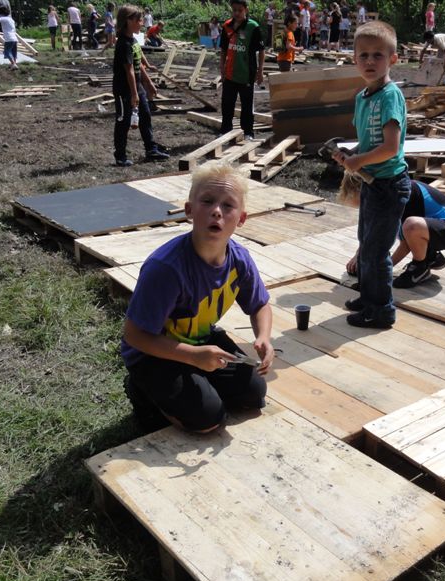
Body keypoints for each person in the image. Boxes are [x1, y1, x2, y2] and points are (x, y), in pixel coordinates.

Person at [121, 162, 275, 434]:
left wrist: (263, 336)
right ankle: (142, 391)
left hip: (201, 340)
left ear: (241, 219)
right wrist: (193, 357)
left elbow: (260, 304)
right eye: (207, 201)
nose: (217, 211)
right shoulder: (167, 268)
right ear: (190, 210)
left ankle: (198, 381)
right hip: (152, 353)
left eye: (228, 206)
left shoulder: (239, 259)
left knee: (254, 394)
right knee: (208, 421)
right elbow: (134, 336)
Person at [333, 20, 409, 329]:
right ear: (354, 59)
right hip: (374, 185)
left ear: (393, 59)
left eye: (378, 55)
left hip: (390, 185)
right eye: (363, 55)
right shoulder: (363, 97)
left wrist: (360, 160)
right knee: (366, 242)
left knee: (377, 252)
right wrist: (351, 157)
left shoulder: (390, 96)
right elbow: (369, 142)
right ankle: (368, 297)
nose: (369, 61)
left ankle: (382, 310)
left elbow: (391, 148)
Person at [345, 179, 445, 288]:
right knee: (403, 227)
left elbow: (406, 244)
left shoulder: (401, 193)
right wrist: (359, 255)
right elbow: (372, 230)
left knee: (410, 225)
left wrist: (384, 270)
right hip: (432, 229)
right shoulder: (385, 192)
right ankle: (431, 257)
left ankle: (420, 267)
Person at [112, 4, 169, 166]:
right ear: (128, 21)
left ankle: (151, 149)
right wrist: (134, 94)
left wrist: (149, 83)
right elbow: (129, 70)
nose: (142, 23)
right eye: (139, 20)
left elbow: (139, 63)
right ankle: (120, 156)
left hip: (137, 87)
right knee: (123, 122)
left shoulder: (133, 40)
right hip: (125, 90)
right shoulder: (123, 44)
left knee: (145, 115)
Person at [219, 0, 265, 140]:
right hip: (230, 73)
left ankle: (248, 132)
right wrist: (222, 68)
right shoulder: (227, 26)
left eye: (240, 10)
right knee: (227, 103)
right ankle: (225, 131)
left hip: (247, 74)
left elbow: (262, 50)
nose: (237, 13)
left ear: (246, 9)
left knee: (246, 105)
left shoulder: (253, 27)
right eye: (234, 10)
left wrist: (260, 71)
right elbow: (223, 50)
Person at [0, 5, 18, 69]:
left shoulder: (4, 19)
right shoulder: (11, 19)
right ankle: (14, 63)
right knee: (13, 52)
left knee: (6, 52)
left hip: (9, 38)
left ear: (1, 13)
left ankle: (13, 64)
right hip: (14, 38)